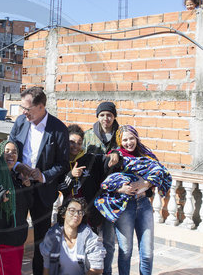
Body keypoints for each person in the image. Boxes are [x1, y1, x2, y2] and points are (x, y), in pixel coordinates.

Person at [8, 86, 70, 275]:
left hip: (43, 191)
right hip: (19, 187)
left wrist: (42, 175)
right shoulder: (20, 122)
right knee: (14, 233)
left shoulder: (58, 129)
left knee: (41, 240)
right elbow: (8, 149)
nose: (23, 112)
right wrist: (19, 167)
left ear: (41, 107)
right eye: (22, 108)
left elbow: (62, 164)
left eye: (27, 109)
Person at [94, 125, 171, 275]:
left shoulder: (146, 155)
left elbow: (160, 172)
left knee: (148, 252)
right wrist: (120, 189)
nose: (129, 142)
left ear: (136, 138)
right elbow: (104, 182)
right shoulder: (115, 157)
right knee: (126, 251)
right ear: (119, 141)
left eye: (131, 138)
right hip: (125, 208)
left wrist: (146, 183)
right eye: (125, 140)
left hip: (144, 205)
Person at [0, 140, 32, 275]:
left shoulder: (16, 178)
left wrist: (26, 187)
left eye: (14, 152)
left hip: (17, 239)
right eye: (7, 151)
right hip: (1, 239)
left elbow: (25, 205)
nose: (11, 155)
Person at [59, 124, 120, 230]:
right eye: (71, 142)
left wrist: (115, 153)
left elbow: (107, 161)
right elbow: (59, 188)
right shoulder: (59, 161)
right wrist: (71, 175)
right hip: (67, 213)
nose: (75, 146)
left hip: (88, 214)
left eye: (79, 143)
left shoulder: (90, 159)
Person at [82, 101, 119, 275]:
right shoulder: (88, 136)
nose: (106, 118)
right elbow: (79, 159)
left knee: (109, 241)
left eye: (109, 115)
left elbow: (130, 154)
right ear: (97, 116)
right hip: (91, 194)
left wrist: (118, 154)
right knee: (91, 238)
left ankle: (107, 272)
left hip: (112, 196)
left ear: (114, 117)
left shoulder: (120, 136)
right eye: (102, 115)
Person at [40, 198, 106, 275]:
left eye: (80, 212)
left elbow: (97, 269)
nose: (76, 215)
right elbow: (47, 268)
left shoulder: (91, 238)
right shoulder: (52, 236)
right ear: (63, 214)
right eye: (72, 211)